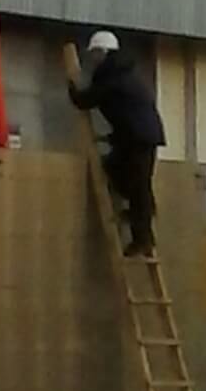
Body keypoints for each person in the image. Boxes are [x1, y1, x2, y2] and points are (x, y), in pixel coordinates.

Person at [68, 31, 165, 256]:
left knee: (135, 183)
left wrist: (72, 89)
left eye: (94, 54)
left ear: (103, 52)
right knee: (131, 179)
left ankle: (142, 235)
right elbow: (127, 111)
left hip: (137, 138)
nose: (92, 60)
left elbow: (86, 100)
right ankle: (142, 225)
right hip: (142, 136)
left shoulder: (112, 75)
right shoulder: (124, 72)